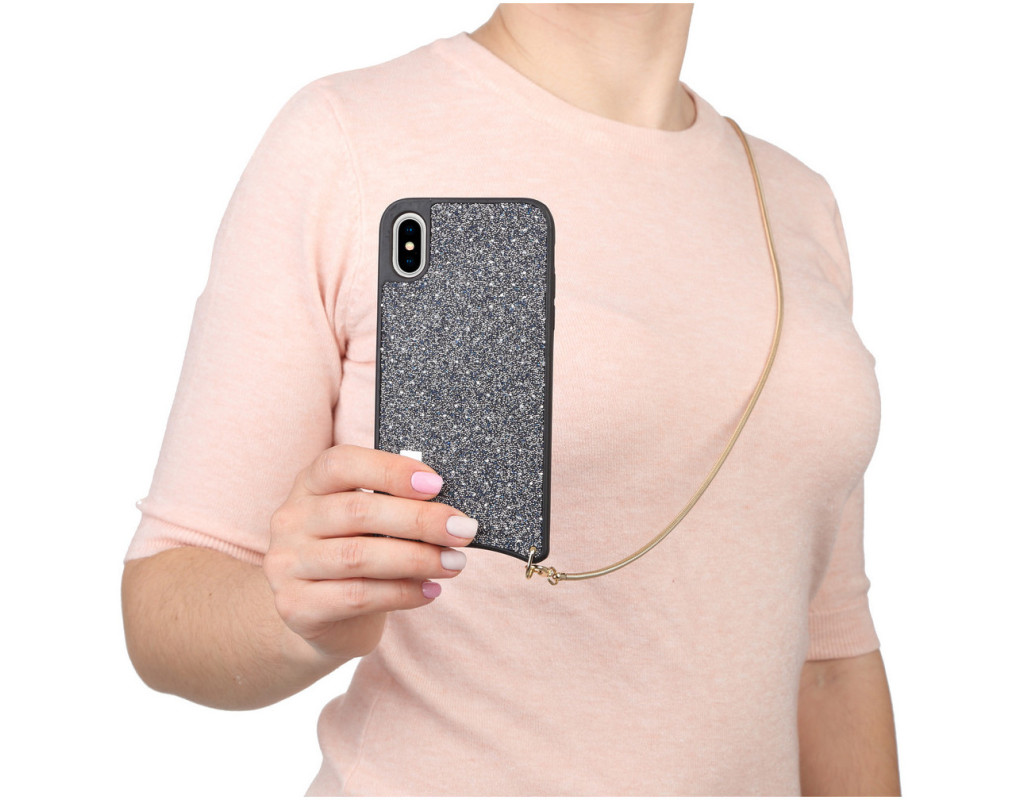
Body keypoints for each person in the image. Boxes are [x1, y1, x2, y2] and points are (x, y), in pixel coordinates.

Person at [121, 4, 901, 796]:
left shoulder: (795, 201)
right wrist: (292, 610)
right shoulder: (348, 137)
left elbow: (829, 659)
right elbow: (162, 606)